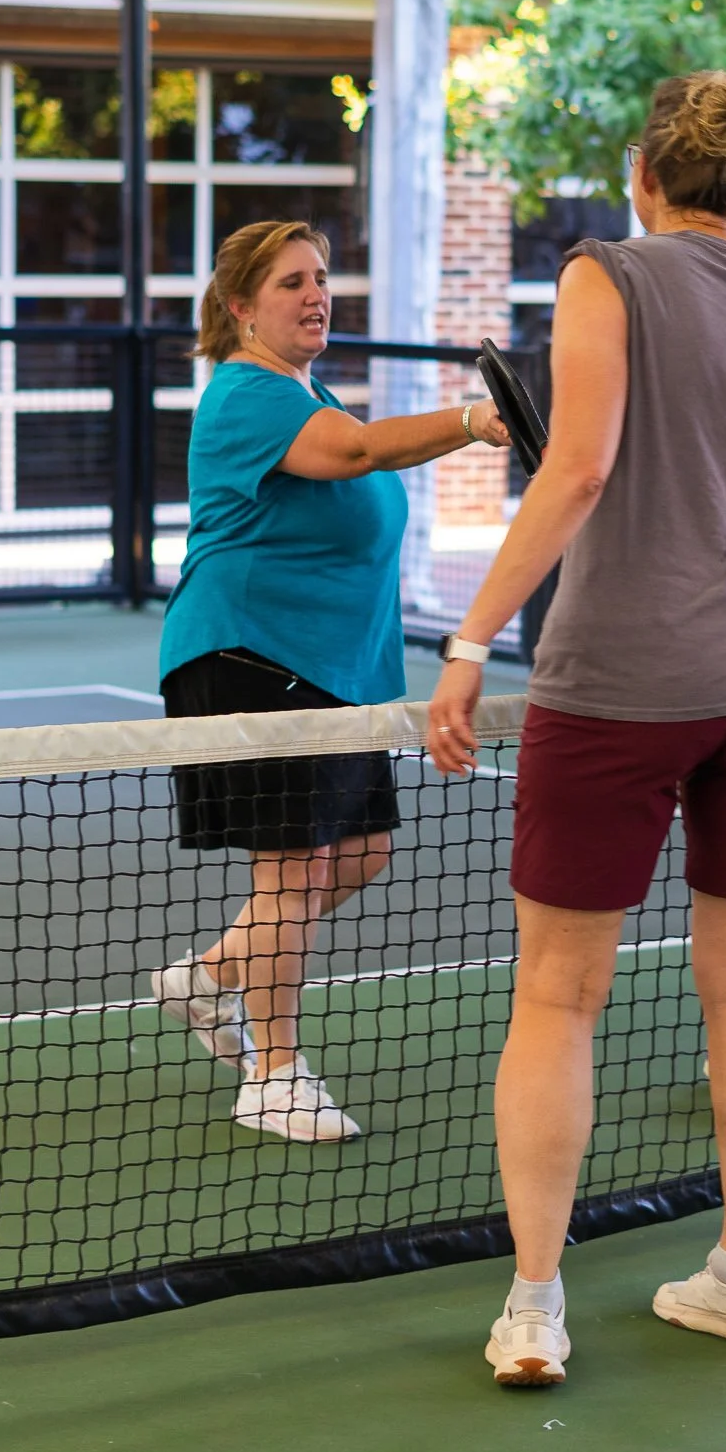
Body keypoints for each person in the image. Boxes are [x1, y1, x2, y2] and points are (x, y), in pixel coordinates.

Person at [423, 71, 726, 1388]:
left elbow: (583, 463)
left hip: (621, 681)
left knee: (556, 993)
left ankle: (535, 1305)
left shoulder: (606, 271)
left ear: (644, 173)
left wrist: (471, 636)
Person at [150, 220, 509, 1143]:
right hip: (250, 654)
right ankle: (273, 1074)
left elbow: (361, 461)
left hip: (333, 670)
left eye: (321, 277)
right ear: (239, 306)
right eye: (290, 283)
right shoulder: (245, 397)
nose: (317, 295)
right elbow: (360, 455)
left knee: (360, 854)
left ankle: (210, 975)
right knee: (296, 865)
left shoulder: (308, 389)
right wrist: (474, 420)